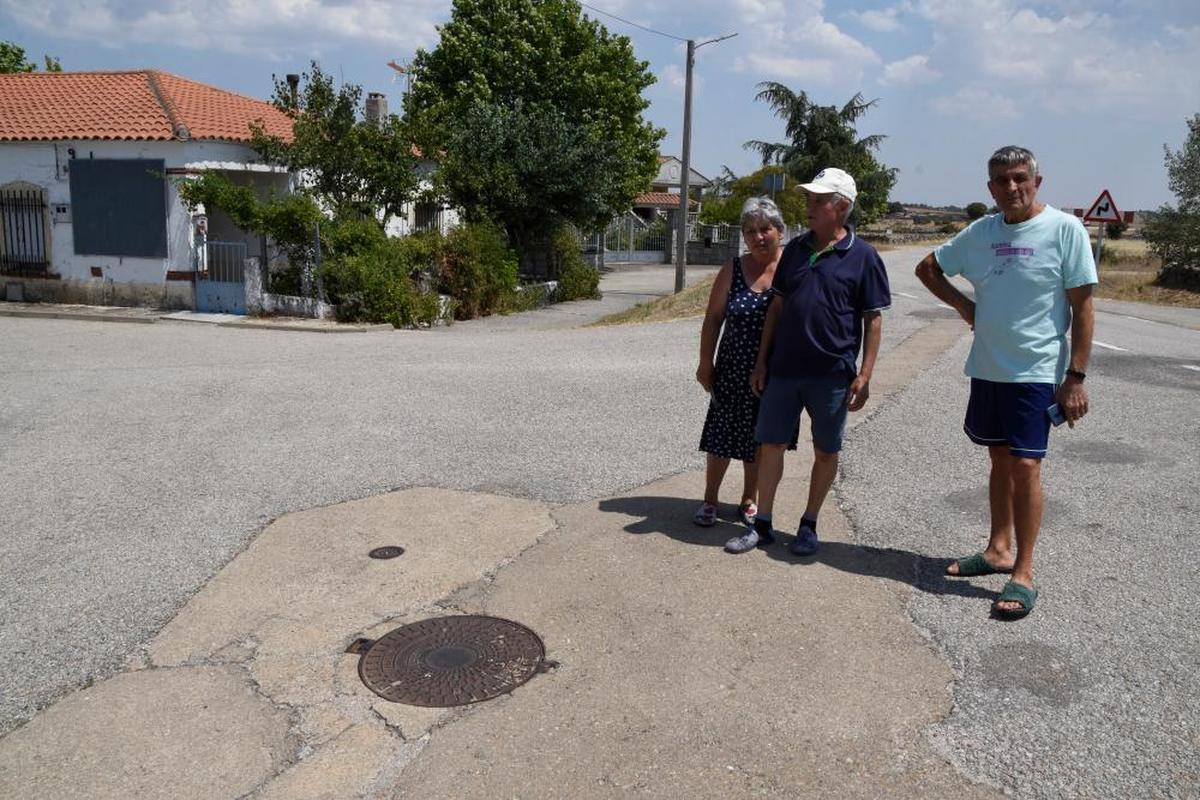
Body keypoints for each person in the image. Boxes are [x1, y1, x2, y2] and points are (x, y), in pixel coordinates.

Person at [914, 145, 1096, 619]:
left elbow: (1083, 307)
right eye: (1000, 180)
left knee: (1027, 467)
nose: (1011, 188)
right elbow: (928, 268)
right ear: (989, 187)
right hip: (989, 368)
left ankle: (1024, 571)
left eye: (1019, 178)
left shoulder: (1064, 229)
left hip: (1036, 372)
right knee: (999, 459)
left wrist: (1075, 377)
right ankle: (998, 549)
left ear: (1037, 181)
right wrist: (964, 305)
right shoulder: (982, 232)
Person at [727, 167, 891, 555]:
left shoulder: (864, 257)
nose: (809, 206)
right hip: (784, 370)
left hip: (832, 374)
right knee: (771, 445)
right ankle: (762, 523)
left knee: (825, 450)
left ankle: (808, 524)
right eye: (809, 199)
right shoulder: (796, 251)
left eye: (819, 201)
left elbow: (874, 319)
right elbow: (777, 307)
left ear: (842, 206)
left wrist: (865, 374)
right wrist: (762, 362)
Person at [694, 197, 795, 528]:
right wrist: (704, 363)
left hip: (777, 373)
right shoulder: (733, 269)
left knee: (761, 440)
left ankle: (749, 499)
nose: (758, 236)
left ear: (780, 231)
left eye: (765, 229)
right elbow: (712, 320)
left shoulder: (792, 269)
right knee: (722, 437)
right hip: (732, 367)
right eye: (750, 231)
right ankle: (710, 498)